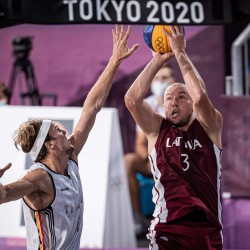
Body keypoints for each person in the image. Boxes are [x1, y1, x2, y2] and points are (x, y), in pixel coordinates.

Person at [0, 25, 138, 250]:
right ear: (50, 145)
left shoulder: (70, 158)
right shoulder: (39, 177)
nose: (65, 132)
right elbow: (5, 194)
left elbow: (91, 107)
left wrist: (114, 61)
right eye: (58, 131)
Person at [124, 26, 223, 249]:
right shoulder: (157, 128)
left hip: (206, 228)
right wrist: (157, 60)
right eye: (168, 98)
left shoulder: (210, 125)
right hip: (167, 228)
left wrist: (180, 53)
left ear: (191, 103)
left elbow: (200, 97)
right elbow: (131, 100)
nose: (173, 102)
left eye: (180, 96)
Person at [124, 63, 175, 237]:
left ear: (173, 80)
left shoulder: (182, 103)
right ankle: (138, 218)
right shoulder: (147, 105)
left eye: (165, 78)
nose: (160, 82)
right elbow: (139, 144)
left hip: (176, 159)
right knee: (129, 160)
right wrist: (153, 158)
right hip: (153, 160)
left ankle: (173, 219)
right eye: (157, 78)